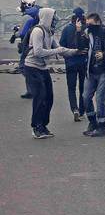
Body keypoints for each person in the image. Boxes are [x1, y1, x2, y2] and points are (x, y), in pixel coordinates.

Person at [23, 8, 80, 138]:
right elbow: (38, 52)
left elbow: (60, 49)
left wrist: (77, 51)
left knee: (49, 97)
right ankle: (36, 127)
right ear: (47, 17)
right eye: (53, 17)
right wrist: (56, 50)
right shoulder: (38, 31)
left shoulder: (49, 32)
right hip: (32, 67)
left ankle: (43, 125)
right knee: (40, 96)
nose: (55, 20)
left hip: (42, 68)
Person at [81, 13, 105, 138]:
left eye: (90, 24)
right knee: (85, 97)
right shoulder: (87, 33)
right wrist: (78, 32)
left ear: (98, 22)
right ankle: (92, 123)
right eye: (87, 23)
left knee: (100, 99)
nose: (88, 26)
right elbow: (79, 47)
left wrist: (104, 54)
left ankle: (102, 127)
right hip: (90, 71)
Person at [59, 8, 88, 121]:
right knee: (82, 87)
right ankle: (82, 110)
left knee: (71, 88)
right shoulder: (86, 29)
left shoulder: (66, 29)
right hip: (83, 62)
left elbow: (62, 44)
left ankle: (74, 108)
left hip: (70, 61)